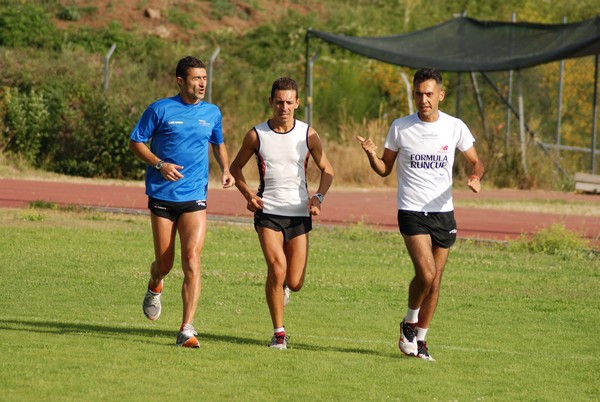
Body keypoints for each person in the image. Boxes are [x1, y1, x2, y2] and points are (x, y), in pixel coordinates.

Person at [356, 67, 484, 361]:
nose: (423, 99)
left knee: (436, 281)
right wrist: (371, 154)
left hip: (444, 213)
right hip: (411, 210)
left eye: (429, 94)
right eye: (418, 94)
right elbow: (384, 170)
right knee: (425, 273)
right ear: (413, 94)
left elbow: (476, 161)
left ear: (440, 94)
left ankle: (421, 341)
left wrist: (476, 176)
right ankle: (409, 322)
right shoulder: (401, 127)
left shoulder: (455, 127)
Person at [129, 56, 235, 348]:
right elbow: (136, 142)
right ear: (180, 81)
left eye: (204, 78)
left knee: (192, 259)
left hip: (194, 196)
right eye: (196, 79)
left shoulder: (212, 112)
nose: (202, 83)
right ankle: (155, 283)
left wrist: (225, 169)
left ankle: (186, 328)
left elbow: (218, 142)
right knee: (165, 262)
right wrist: (159, 164)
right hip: (163, 195)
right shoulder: (160, 109)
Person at [229, 77, 334, 350]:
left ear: (297, 103)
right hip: (269, 212)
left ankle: (285, 288)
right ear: (270, 102)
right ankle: (279, 333)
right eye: (279, 102)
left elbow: (328, 170)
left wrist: (318, 197)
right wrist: (249, 195)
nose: (283, 107)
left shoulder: (309, 135)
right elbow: (235, 168)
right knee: (277, 268)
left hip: (299, 213)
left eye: (289, 102)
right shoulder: (256, 135)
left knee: (295, 281)